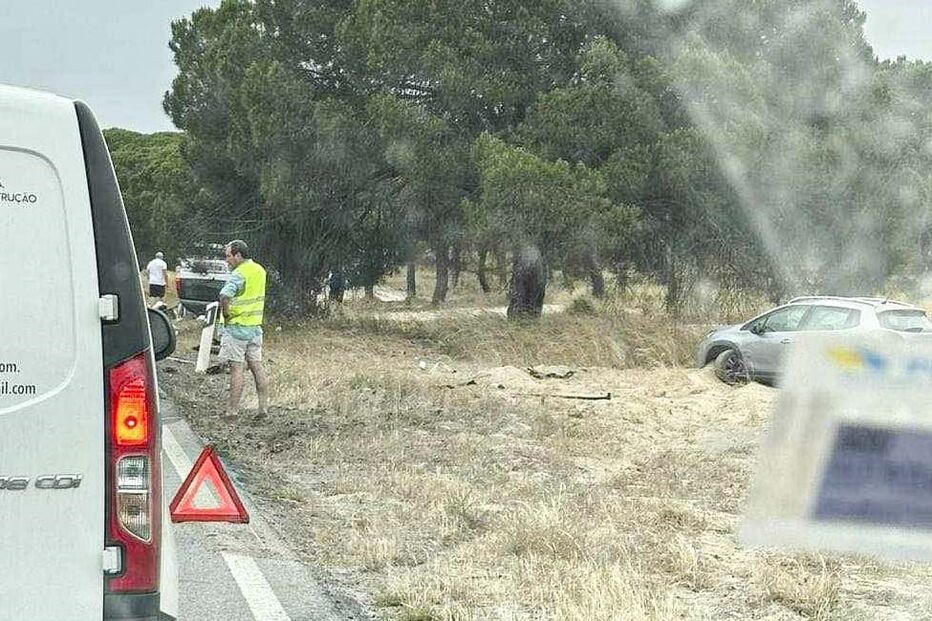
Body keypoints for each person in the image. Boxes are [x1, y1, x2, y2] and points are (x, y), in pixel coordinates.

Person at [218, 240, 270, 421]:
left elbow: (224, 295)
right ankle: (263, 408)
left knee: (236, 368)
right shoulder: (260, 270)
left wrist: (226, 315)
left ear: (238, 255)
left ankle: (232, 411)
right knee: (257, 366)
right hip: (255, 328)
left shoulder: (239, 273)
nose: (227, 260)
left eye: (228, 256)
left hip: (237, 328)